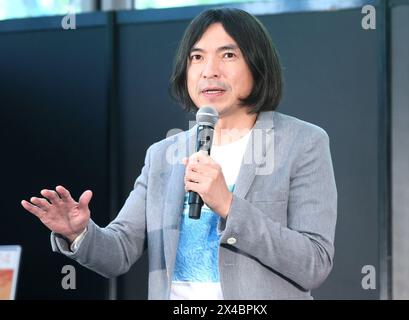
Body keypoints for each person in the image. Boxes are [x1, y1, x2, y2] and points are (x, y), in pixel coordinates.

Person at [20, 8, 337, 300]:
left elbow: (314, 263)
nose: (209, 71)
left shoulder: (302, 142)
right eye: (197, 57)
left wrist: (227, 205)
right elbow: (119, 251)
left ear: (257, 64)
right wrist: (79, 234)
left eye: (227, 54)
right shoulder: (163, 155)